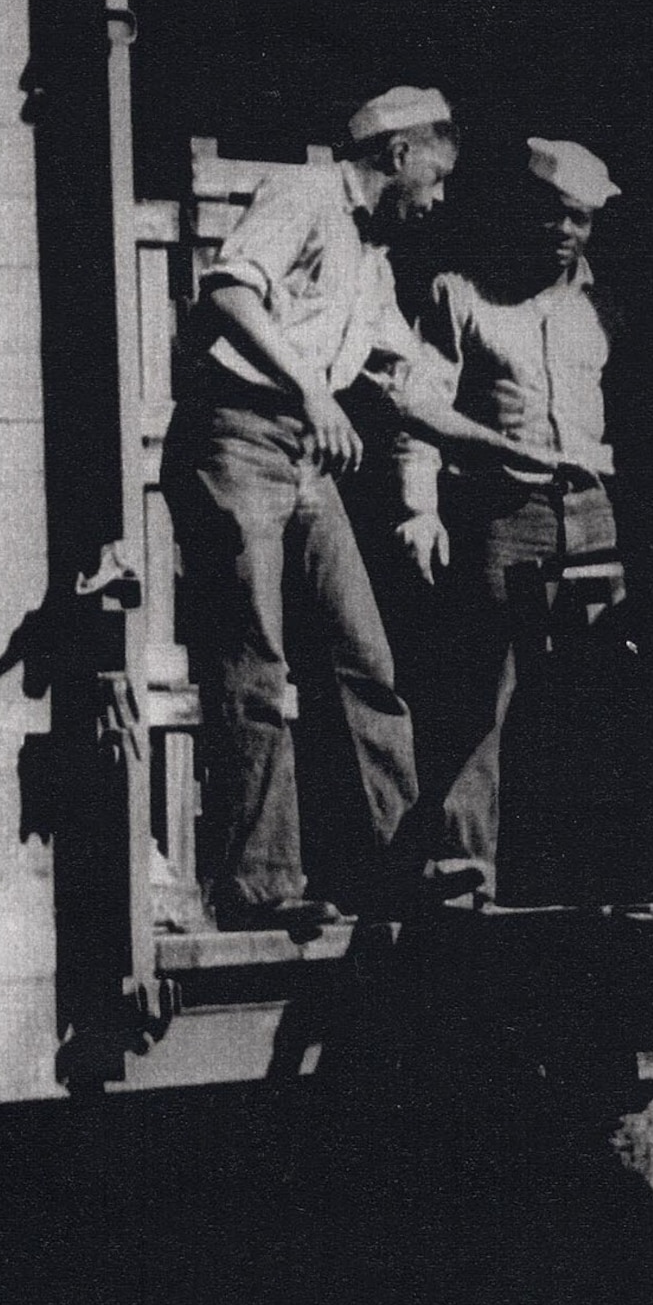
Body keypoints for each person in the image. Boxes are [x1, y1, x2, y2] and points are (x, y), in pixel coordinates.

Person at [163, 85, 459, 932]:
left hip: (302, 451)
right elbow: (227, 293)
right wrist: (310, 390)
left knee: (363, 650)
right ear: (398, 155)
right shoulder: (302, 196)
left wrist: (493, 437)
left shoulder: (376, 259)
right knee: (255, 657)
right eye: (433, 177)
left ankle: (403, 864)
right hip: (239, 434)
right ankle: (260, 885)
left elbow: (410, 374)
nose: (435, 200)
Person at [390, 137, 624, 903]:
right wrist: (420, 506)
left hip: (590, 517)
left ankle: (578, 868)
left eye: (581, 220)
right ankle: (467, 873)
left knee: (588, 691)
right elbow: (418, 406)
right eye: (554, 214)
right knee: (481, 695)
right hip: (502, 514)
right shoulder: (461, 294)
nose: (565, 232)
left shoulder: (603, 307)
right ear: (525, 209)